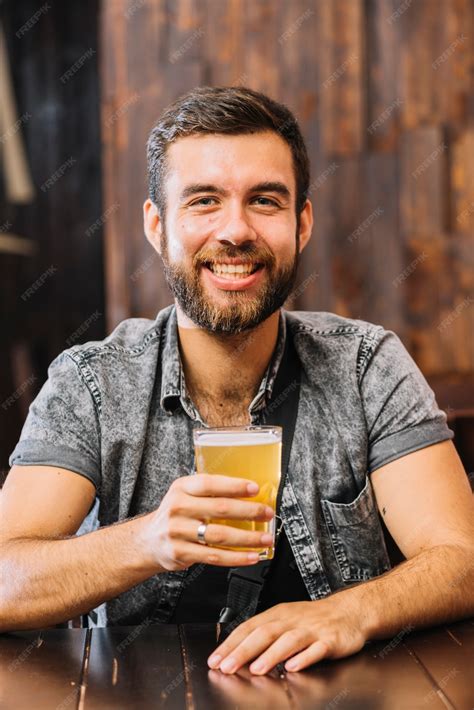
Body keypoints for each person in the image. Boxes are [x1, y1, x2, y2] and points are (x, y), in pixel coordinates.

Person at [1, 87, 473, 676]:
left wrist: (351, 612)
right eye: (204, 201)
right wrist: (147, 542)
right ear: (157, 225)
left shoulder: (365, 365)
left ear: (302, 223)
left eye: (265, 201)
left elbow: (463, 558)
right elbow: (3, 579)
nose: (235, 231)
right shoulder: (92, 382)